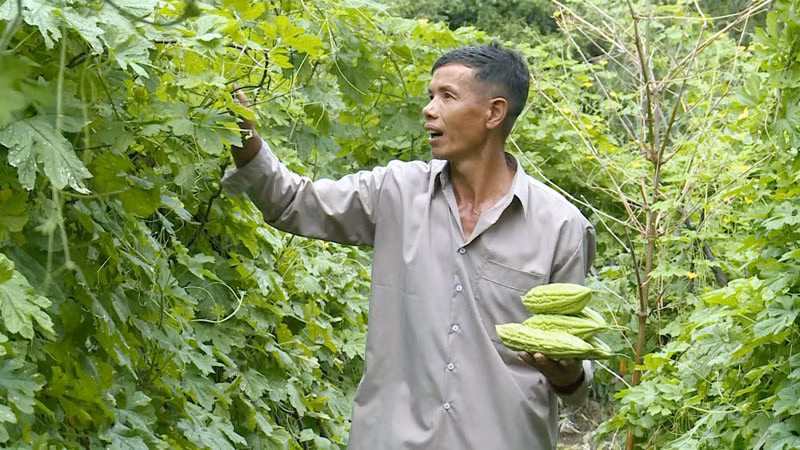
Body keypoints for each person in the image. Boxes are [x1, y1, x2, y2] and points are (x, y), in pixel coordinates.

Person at [222, 42, 596, 450]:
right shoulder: (395, 191)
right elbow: (292, 202)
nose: (429, 109)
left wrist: (567, 373)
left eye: (447, 96)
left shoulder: (561, 226)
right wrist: (239, 127)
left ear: (494, 113)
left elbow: (575, 377)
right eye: (430, 95)